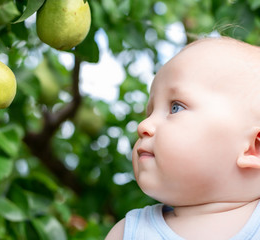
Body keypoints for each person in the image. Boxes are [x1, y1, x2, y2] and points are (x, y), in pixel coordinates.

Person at [105, 37, 260, 240]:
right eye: (149, 113)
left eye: (175, 107)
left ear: (253, 148)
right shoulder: (128, 233)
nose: (143, 126)